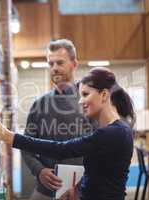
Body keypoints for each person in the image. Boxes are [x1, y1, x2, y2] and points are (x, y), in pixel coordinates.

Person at [0, 67, 135, 200]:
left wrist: (9, 137)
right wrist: (76, 190)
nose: (80, 101)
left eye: (85, 94)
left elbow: (62, 149)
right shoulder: (115, 130)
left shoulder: (114, 133)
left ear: (104, 95)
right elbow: (98, 170)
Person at [21, 39, 94, 200]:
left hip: (83, 191)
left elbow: (102, 148)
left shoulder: (89, 102)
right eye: (50, 63)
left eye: (60, 63)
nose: (54, 68)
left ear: (74, 64)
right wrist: (39, 171)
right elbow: (26, 147)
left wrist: (81, 184)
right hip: (45, 191)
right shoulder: (39, 105)